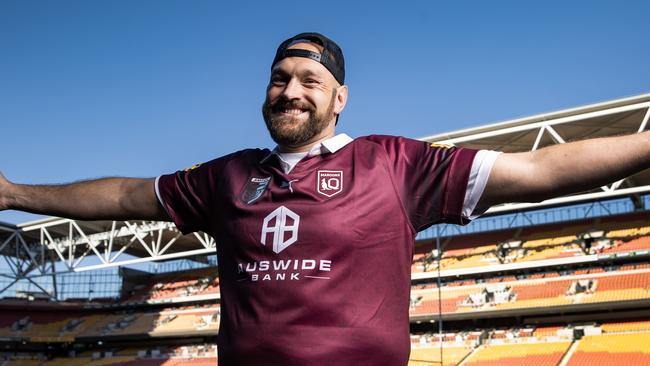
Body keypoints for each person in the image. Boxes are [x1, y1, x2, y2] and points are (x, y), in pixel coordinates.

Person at [0, 32, 649, 365]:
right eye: (279, 78)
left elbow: (538, 170)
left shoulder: (396, 163)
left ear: (340, 99)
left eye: (311, 79)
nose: (290, 90)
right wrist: (15, 192)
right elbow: (127, 193)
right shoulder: (225, 177)